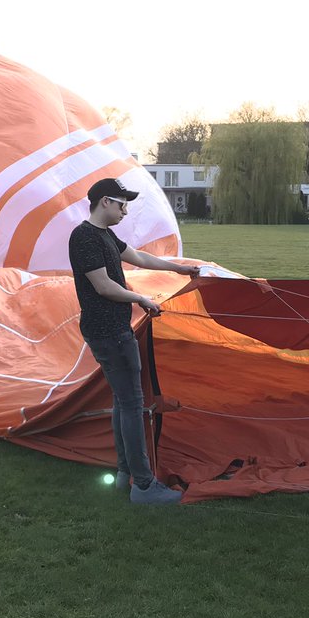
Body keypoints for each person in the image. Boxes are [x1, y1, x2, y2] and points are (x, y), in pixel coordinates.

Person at [68, 178, 202, 505]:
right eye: (121, 203)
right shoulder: (84, 237)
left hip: (114, 328)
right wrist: (141, 298)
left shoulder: (105, 235)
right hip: (109, 331)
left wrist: (180, 269)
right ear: (104, 202)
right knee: (131, 403)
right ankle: (144, 486)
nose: (125, 210)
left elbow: (140, 258)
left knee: (122, 401)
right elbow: (103, 286)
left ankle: (124, 475)